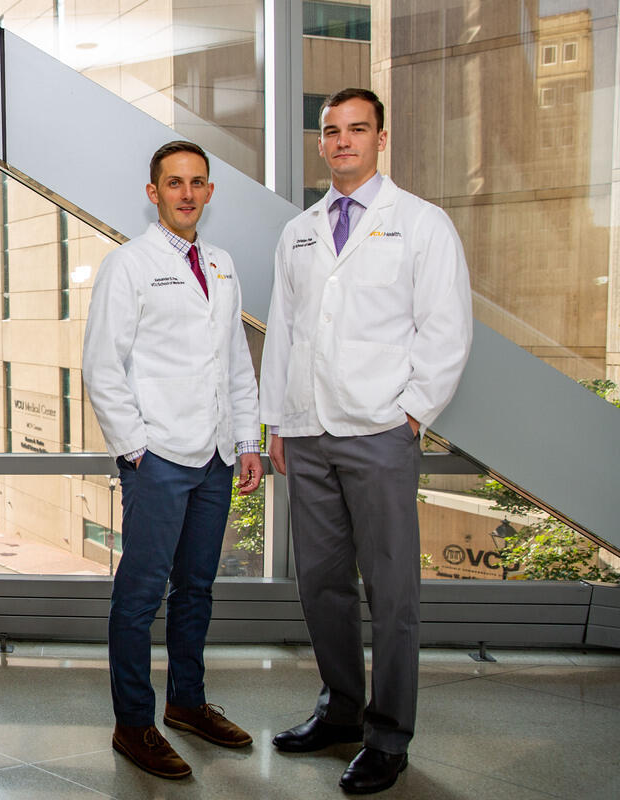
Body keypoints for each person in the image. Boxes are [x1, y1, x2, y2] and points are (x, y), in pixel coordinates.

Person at [260, 88, 473, 794]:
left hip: (380, 432)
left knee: (392, 591)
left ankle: (388, 735)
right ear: (320, 144)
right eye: (332, 131)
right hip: (310, 433)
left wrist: (411, 413)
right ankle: (341, 710)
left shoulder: (421, 224)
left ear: (381, 138)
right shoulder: (299, 230)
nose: (343, 140)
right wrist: (279, 423)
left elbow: (445, 330)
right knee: (321, 585)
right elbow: (284, 333)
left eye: (358, 129)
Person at [83, 140, 263, 780]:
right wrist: (136, 451)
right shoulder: (128, 265)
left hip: (215, 456)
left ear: (210, 192)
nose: (187, 193)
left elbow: (236, 362)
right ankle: (134, 722)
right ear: (153, 193)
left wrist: (248, 442)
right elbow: (103, 368)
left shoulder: (220, 264)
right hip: (157, 456)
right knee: (139, 595)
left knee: (198, 590)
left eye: (198, 182)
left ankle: (187, 704)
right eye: (174, 182)